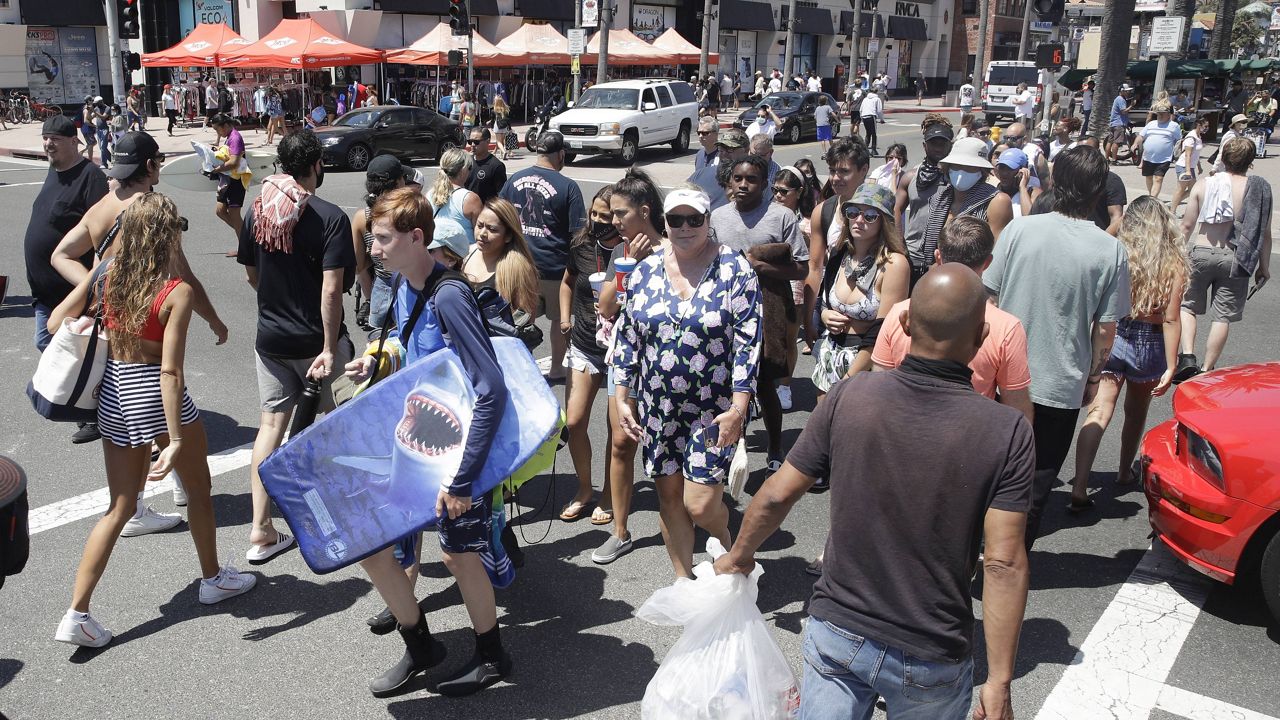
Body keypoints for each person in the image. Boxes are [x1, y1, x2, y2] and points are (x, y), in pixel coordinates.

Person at [714, 263, 1033, 720]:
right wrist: (999, 681)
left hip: (839, 632)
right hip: (932, 649)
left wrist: (740, 554)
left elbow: (776, 495)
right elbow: (1002, 562)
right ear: (982, 336)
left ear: (902, 323)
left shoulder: (849, 397)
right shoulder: (1007, 431)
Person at [50, 193, 257, 648]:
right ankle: (212, 578)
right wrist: (176, 437)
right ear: (165, 236)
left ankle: (77, 613)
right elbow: (170, 371)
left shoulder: (105, 275)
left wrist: (116, 334)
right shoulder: (173, 291)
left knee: (120, 507)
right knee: (199, 491)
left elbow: (54, 325)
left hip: (114, 398)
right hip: (157, 400)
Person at [343, 187, 512, 698]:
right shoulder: (403, 286)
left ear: (418, 238)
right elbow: (405, 340)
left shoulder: (451, 295)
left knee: (459, 558)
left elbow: (491, 388)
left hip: (456, 451)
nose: (373, 248)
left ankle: (491, 657)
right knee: (373, 545)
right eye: (373, 238)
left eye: (383, 239)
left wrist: (463, 480)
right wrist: (376, 358)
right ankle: (422, 648)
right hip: (417, 440)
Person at [52, 131, 229, 472]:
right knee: (163, 403)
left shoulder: (101, 207)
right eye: (159, 161)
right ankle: (179, 480)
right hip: (149, 324)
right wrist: (213, 319)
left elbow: (61, 255)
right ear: (149, 166)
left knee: (124, 419)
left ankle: (137, 505)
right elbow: (185, 276)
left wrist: (97, 288)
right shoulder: (149, 213)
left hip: (112, 327)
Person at [984, 144, 1131, 552]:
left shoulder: (1019, 229)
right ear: (1100, 191)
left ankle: (969, 556)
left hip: (1003, 374)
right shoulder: (1109, 249)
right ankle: (1009, 562)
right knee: (1035, 483)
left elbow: (988, 298)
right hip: (1062, 380)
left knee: (989, 469)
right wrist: (1095, 376)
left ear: (1054, 182)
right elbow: (1105, 329)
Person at [613, 186, 761, 578]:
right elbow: (627, 336)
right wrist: (622, 397)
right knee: (669, 499)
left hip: (713, 411)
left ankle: (730, 551)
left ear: (708, 221)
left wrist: (739, 409)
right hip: (658, 408)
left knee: (700, 504)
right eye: (676, 219)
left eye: (694, 219)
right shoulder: (644, 270)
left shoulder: (734, 269)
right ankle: (683, 579)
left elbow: (749, 342)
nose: (685, 227)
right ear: (665, 223)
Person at [236, 131, 356, 565]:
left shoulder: (258, 211)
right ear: (317, 166)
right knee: (334, 427)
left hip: (270, 339)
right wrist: (329, 345)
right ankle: (340, 516)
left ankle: (261, 529)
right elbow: (332, 291)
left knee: (270, 428)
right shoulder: (328, 217)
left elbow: (251, 273)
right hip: (314, 341)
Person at [1069, 197, 1188, 511]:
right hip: (1150, 341)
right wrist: (1172, 363)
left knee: (1099, 409)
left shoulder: (1119, 252)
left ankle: (1079, 486)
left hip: (1116, 331)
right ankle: (1124, 472)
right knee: (1136, 412)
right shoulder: (1173, 261)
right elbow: (1172, 318)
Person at [577, 171, 663, 561]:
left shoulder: (677, 249)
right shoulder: (620, 252)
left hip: (666, 365)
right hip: (624, 363)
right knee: (622, 443)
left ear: (644, 212)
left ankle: (679, 521)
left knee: (666, 448)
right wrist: (629, 262)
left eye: (620, 214)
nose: (613, 222)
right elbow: (607, 306)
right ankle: (621, 530)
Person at [873, 215, 1033, 421]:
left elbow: (881, 383)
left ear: (938, 256)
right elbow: (1017, 410)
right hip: (969, 438)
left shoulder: (899, 313)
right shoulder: (1007, 328)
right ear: (987, 262)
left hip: (900, 429)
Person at [711, 155, 807, 473]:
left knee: (765, 385)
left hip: (768, 314)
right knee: (727, 386)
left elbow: (802, 267)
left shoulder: (782, 217)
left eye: (751, 179)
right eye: (737, 178)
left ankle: (776, 447)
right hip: (726, 315)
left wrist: (761, 267)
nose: (743, 185)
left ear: (764, 185)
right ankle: (728, 448)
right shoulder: (717, 217)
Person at [24, 115, 109, 445]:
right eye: (45, 138)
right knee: (53, 346)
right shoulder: (54, 171)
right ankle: (91, 409)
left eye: (55, 139)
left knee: (71, 351)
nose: (48, 144)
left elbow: (101, 234)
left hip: (72, 291)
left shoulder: (90, 177)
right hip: (45, 291)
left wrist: (95, 286)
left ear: (75, 141)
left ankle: (96, 411)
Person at [1173, 137, 1272, 382]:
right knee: (1223, 316)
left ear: (1223, 157)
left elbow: (1186, 225)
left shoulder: (1205, 184)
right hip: (1235, 257)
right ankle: (1207, 368)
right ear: (1250, 162)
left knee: (1187, 306)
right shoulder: (1256, 189)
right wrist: (1264, 267)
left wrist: (1176, 254)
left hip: (1202, 251)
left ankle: (1187, 356)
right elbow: (1265, 233)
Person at [560, 186, 624, 557]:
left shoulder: (631, 250)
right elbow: (569, 280)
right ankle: (585, 489)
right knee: (574, 421)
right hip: (584, 342)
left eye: (607, 216)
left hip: (619, 351)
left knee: (618, 433)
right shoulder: (581, 244)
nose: (600, 222)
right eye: (595, 215)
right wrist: (566, 317)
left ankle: (608, 496)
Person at [811, 182, 910, 405]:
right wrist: (825, 314)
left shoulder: (894, 264)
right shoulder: (839, 252)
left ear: (883, 221)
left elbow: (884, 329)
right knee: (827, 431)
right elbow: (825, 296)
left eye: (870, 215)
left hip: (867, 363)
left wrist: (850, 377)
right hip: (830, 354)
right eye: (853, 212)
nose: (859, 220)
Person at [499, 131, 587, 382]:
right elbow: (578, 233)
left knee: (517, 320)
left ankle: (515, 367)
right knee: (560, 320)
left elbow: (499, 217)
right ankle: (558, 367)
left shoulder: (515, 179)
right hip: (555, 267)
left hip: (521, 265)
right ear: (561, 154)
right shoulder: (567, 186)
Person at [911, 137, 1012, 288]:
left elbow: (996, 255)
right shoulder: (940, 197)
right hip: (937, 278)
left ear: (981, 170)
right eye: (956, 166)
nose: (961, 172)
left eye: (969, 167)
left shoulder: (997, 201)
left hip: (972, 285)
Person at [805, 137, 873, 350]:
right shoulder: (823, 211)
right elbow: (815, 267)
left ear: (864, 170)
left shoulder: (880, 210)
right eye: (832, 170)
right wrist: (809, 319)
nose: (835, 178)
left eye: (844, 171)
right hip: (832, 314)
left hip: (870, 315)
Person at [771, 165, 818, 410]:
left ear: (798, 193)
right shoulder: (766, 215)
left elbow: (813, 261)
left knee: (788, 339)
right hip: (768, 283)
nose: (778, 196)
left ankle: (785, 386)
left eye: (784, 191)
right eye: (775, 190)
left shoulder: (808, 224)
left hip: (794, 283)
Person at [352, 156, 412, 332]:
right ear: (398, 182)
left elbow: (358, 266)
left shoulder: (361, 218)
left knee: (379, 351)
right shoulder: (409, 212)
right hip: (411, 288)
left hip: (382, 289)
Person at [462, 197, 541, 321]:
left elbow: (525, 319)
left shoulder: (519, 269)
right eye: (479, 225)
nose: (482, 233)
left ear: (508, 236)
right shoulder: (465, 254)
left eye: (492, 229)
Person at [893, 115, 953, 260]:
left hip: (944, 256)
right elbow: (895, 209)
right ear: (924, 145)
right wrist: (899, 245)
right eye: (933, 143)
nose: (938, 147)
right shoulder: (910, 177)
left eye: (942, 143)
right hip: (912, 253)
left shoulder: (957, 178)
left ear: (951, 145)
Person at [208, 114, 247, 257]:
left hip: (235, 181)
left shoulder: (235, 137)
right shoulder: (230, 136)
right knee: (220, 211)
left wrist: (216, 169)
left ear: (225, 126)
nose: (218, 133)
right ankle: (248, 238)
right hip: (227, 180)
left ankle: (245, 247)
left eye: (218, 130)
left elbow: (234, 162)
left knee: (235, 216)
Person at [428, 148, 483, 247]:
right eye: (469, 168)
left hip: (436, 253)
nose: (470, 172)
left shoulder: (430, 194)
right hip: (462, 256)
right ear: (463, 170)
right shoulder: (470, 199)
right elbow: (481, 233)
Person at [688, 127, 749, 211]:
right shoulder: (699, 176)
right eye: (721, 149)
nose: (724, 154)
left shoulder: (755, 182)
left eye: (730, 150)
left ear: (746, 151)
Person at [1132, 100, 1182, 201]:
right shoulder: (1151, 124)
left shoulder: (1174, 126)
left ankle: (1152, 199)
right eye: (1158, 114)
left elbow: (1179, 140)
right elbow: (1141, 136)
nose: (1160, 116)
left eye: (1162, 114)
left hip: (1164, 158)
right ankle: (1152, 196)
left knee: (1158, 179)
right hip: (1148, 157)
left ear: (1168, 114)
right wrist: (1135, 144)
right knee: (1149, 177)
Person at [1169, 115, 1208, 214]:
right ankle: (1172, 211)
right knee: (1181, 189)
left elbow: (1196, 154)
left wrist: (1198, 166)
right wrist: (1187, 170)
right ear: (1199, 125)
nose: (1206, 128)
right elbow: (1187, 155)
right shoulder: (1191, 137)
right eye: (1205, 126)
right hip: (1183, 166)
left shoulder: (1198, 137)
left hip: (1190, 167)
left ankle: (1173, 204)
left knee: (1191, 190)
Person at [465, 127, 507, 204]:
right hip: (466, 210)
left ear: (488, 141)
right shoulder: (466, 162)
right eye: (470, 141)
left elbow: (501, 196)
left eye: (476, 142)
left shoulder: (496, 166)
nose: (473, 145)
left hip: (485, 212)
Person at [993, 148, 1039, 219]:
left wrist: (1022, 188)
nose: (1004, 173)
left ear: (1023, 169)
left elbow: (1030, 220)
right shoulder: (993, 192)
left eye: (1010, 168)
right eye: (1002, 168)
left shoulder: (1033, 193)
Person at [1107, 84, 1134, 164]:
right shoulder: (1121, 99)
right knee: (1116, 142)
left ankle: (1107, 158)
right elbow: (1123, 111)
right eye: (1127, 91)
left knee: (1110, 142)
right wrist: (1131, 106)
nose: (1128, 92)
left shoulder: (1117, 99)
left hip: (1113, 123)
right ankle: (1114, 160)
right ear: (1122, 91)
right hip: (1119, 124)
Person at [859, 88, 883, 154]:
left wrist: (861, 117)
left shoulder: (865, 99)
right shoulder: (877, 99)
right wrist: (881, 119)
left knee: (868, 133)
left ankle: (865, 149)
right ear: (876, 92)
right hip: (871, 116)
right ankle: (873, 149)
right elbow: (879, 110)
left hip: (864, 116)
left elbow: (861, 109)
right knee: (874, 134)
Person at [492, 94, 512, 161]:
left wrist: (491, 127)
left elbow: (492, 120)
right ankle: (503, 154)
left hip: (498, 126)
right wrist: (510, 127)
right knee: (502, 141)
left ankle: (504, 152)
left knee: (498, 141)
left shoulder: (494, 110)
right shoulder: (506, 110)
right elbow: (508, 120)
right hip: (504, 127)